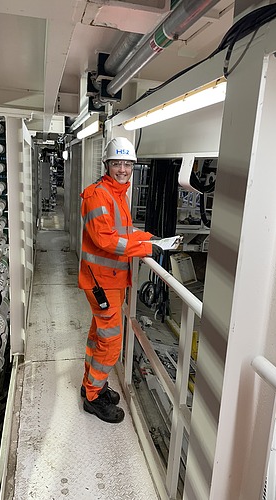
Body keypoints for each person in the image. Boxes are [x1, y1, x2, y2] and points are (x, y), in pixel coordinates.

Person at [78, 137, 162, 423]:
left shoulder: (118, 195)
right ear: (107, 165)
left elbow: (124, 233)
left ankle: (91, 384)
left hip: (111, 280)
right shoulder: (97, 195)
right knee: (111, 344)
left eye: (127, 164)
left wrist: (151, 239)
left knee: (98, 337)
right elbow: (106, 241)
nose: (123, 169)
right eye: (117, 163)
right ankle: (93, 397)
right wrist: (147, 248)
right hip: (102, 282)